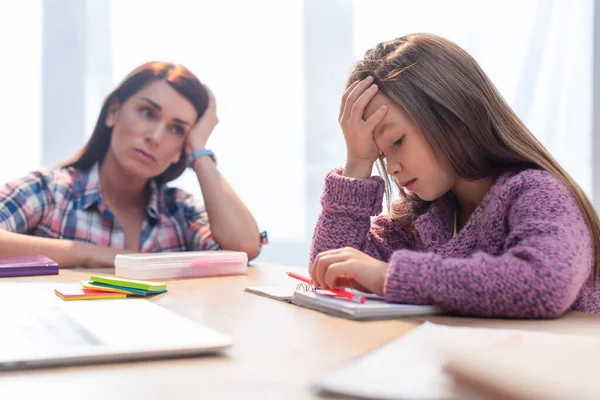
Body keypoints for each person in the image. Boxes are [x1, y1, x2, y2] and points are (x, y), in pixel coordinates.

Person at [309, 33, 600, 318]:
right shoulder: (424, 216)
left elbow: (543, 283)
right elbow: (331, 271)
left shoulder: (537, 193)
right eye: (382, 156)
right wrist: (358, 162)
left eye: (397, 142)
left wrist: (390, 276)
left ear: (455, 118)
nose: (392, 168)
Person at [0, 61, 262, 267]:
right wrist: (85, 253)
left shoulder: (180, 213)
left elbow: (243, 247)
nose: (155, 137)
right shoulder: (51, 191)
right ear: (114, 112)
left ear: (179, 151)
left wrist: (199, 152)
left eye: (176, 130)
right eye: (148, 113)